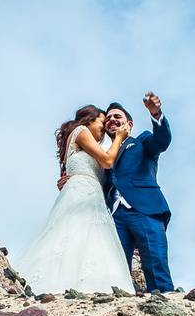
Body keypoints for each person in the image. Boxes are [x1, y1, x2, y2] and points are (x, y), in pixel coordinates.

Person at [58, 92, 174, 292]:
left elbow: (162, 141)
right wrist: (73, 180)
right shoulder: (104, 155)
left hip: (144, 209)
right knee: (114, 267)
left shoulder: (142, 141)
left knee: (155, 263)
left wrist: (156, 114)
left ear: (129, 124)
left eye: (117, 117)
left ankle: (166, 304)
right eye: (108, 118)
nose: (111, 120)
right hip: (113, 218)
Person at [16, 105, 135, 294]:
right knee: (72, 233)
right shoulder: (81, 131)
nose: (104, 129)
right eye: (102, 123)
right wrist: (119, 137)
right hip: (81, 194)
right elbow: (107, 160)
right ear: (90, 119)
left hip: (93, 195)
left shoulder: (86, 145)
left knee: (89, 239)